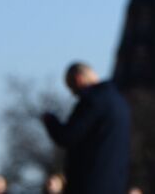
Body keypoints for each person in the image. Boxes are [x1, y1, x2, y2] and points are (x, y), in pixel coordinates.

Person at [39, 62, 131, 194]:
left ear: (79, 79)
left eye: (72, 89)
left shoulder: (92, 101)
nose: (74, 94)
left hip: (89, 183)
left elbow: (67, 136)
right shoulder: (121, 102)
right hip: (115, 184)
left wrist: (50, 121)